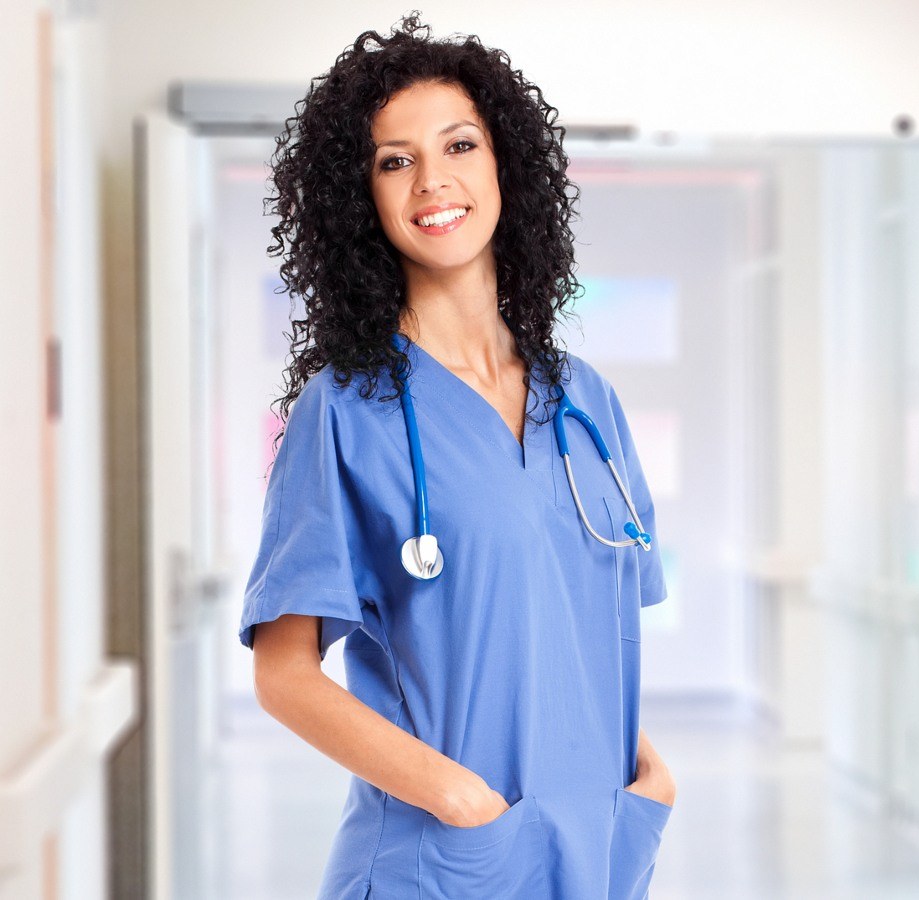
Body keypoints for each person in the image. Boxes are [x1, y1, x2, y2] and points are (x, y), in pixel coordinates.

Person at [238, 14, 676, 900]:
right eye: (394, 160)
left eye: (459, 144)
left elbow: (590, 630)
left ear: (503, 163)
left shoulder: (586, 401)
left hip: (593, 854)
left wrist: (647, 777)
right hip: (440, 862)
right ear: (361, 197)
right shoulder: (345, 412)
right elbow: (284, 674)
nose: (432, 180)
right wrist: (454, 797)